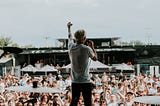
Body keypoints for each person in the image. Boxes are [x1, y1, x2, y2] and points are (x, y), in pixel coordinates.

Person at [67, 22, 97, 106]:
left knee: (74, 102)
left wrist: (69, 28)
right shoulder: (87, 49)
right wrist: (92, 47)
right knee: (88, 102)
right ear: (84, 38)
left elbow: (69, 37)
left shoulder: (71, 46)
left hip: (75, 80)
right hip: (85, 81)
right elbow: (95, 58)